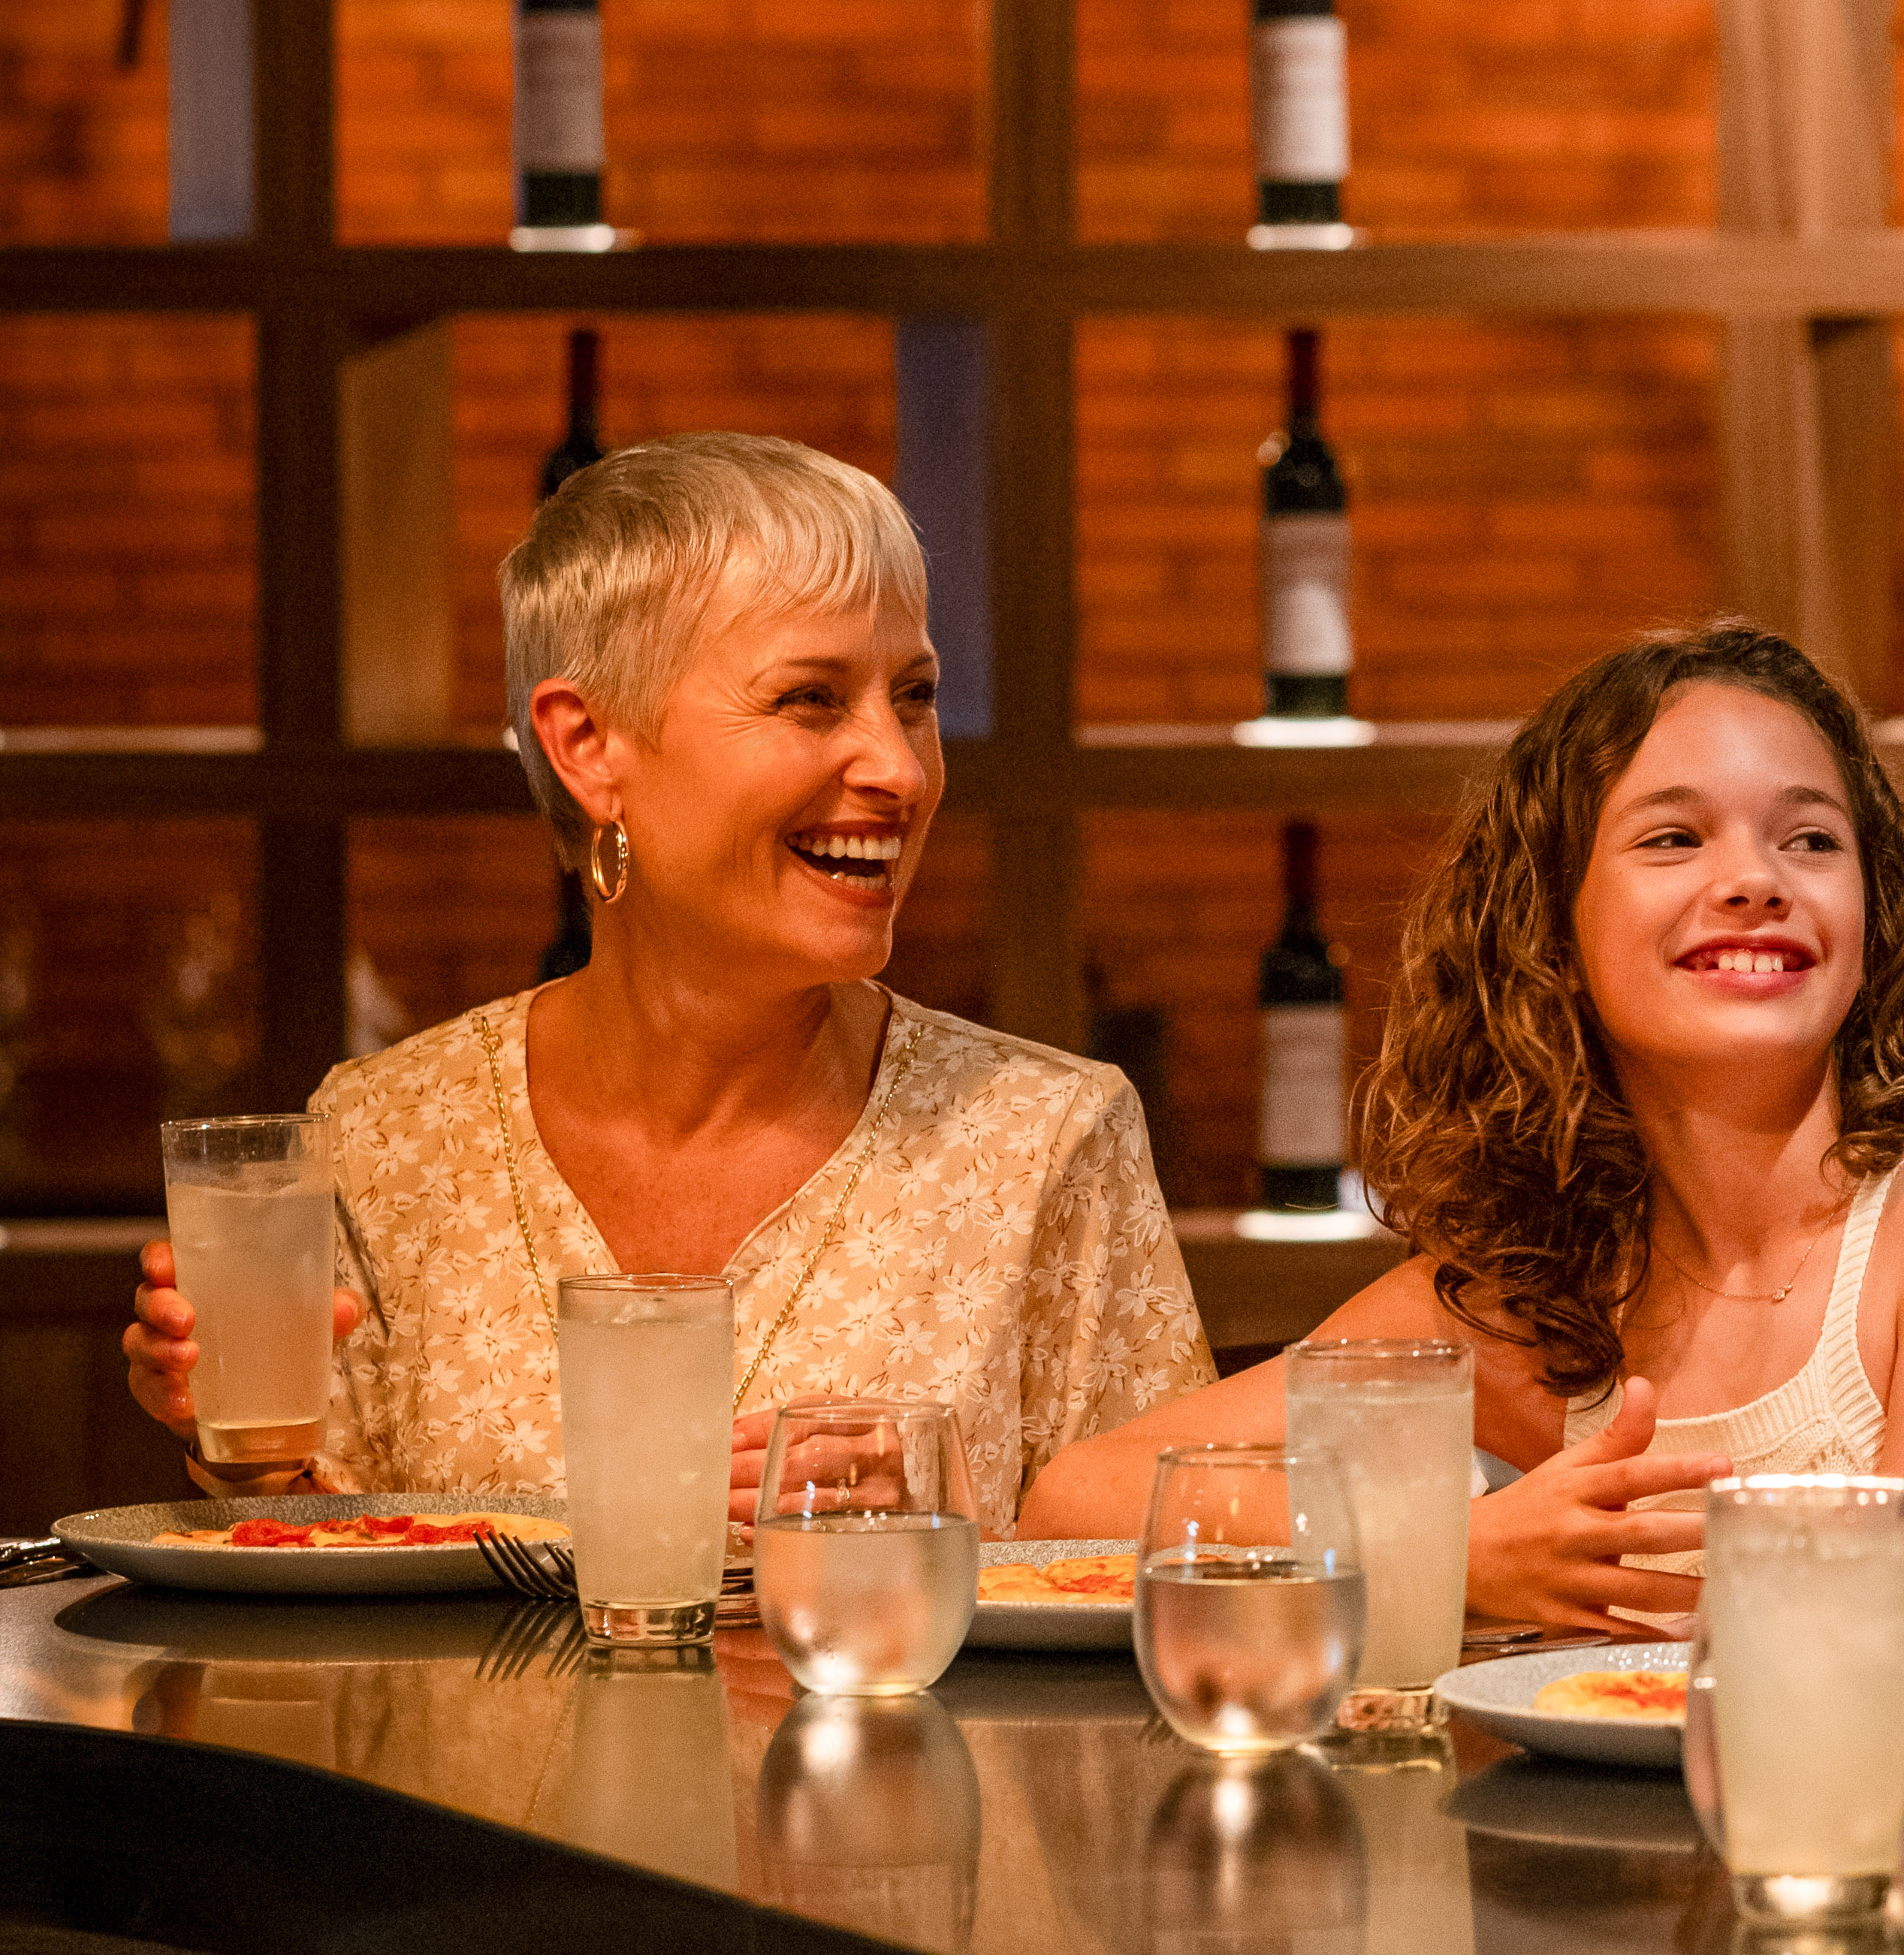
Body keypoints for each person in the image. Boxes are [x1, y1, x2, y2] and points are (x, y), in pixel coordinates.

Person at [123, 434, 1206, 1540]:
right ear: (588, 745)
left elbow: (1173, 1604)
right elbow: (340, 1635)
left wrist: (951, 1540)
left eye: (915, 695)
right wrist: (252, 1464)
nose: (901, 769)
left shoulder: (1047, 1140)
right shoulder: (382, 1137)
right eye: (812, 700)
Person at [1030, 623, 1904, 1661]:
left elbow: (1895, 1669)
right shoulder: (1538, 1305)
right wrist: (1445, 1552)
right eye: (1673, 838)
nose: (1755, 880)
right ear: (1549, 932)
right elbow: (1077, 1499)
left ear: (1876, 914)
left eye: (1810, 840)